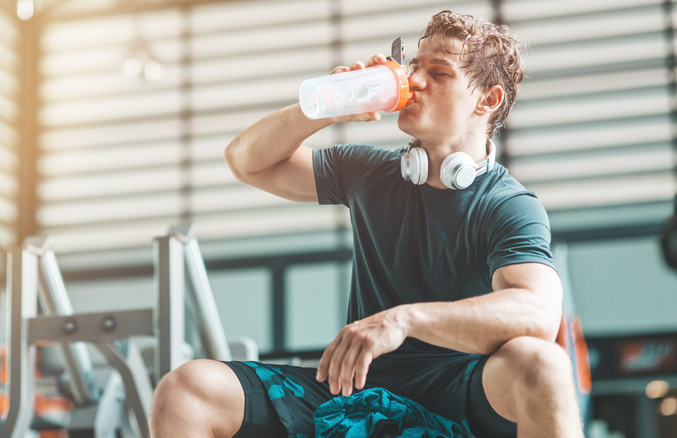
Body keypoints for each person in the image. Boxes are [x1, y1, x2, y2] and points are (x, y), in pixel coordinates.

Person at [150, 10, 583, 438]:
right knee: (187, 390)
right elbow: (245, 161)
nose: (415, 81)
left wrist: (404, 320)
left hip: (462, 393)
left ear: (487, 101)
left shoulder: (508, 205)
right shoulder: (366, 171)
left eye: (440, 72)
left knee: (542, 364)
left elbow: (537, 313)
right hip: (355, 391)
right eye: (414, 67)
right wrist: (326, 108)